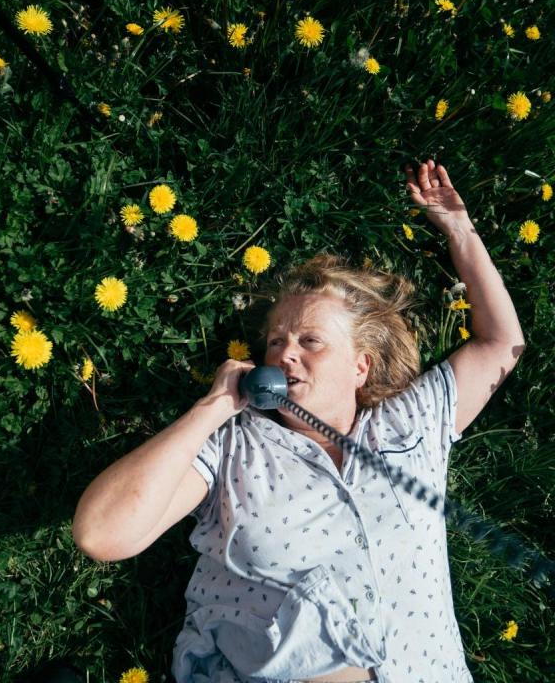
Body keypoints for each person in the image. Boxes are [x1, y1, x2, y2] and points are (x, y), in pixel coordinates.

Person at [73, 160, 526, 682]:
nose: (285, 354)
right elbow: (100, 534)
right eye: (275, 342)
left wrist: (459, 230)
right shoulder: (230, 450)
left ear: (362, 366)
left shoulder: (411, 424)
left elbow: (500, 344)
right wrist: (214, 406)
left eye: (310, 341)